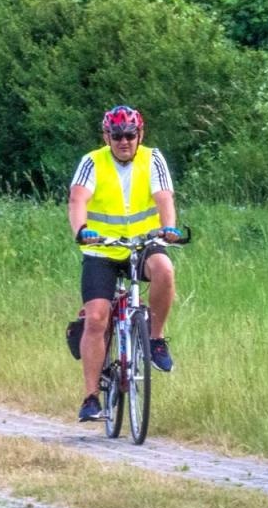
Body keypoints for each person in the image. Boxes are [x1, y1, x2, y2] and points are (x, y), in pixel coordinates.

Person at [68, 105, 182, 423]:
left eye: (130, 135)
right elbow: (78, 199)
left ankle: (155, 340)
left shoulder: (152, 158)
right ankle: (91, 397)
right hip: (102, 249)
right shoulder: (92, 161)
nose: (124, 142)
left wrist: (169, 228)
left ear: (139, 135)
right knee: (96, 318)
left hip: (143, 243)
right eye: (117, 136)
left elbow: (164, 198)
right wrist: (81, 230)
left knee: (164, 269)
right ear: (106, 137)